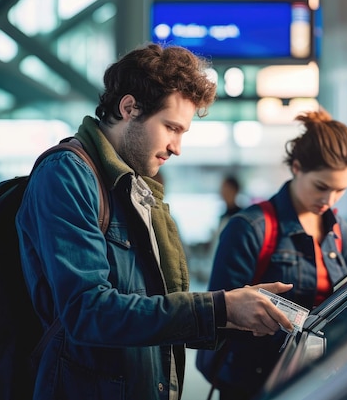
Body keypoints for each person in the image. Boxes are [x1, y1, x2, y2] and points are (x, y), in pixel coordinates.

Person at [15, 43, 294, 400]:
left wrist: (232, 313)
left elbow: (154, 306)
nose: (177, 147)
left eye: (183, 133)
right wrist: (219, 307)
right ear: (129, 108)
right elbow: (87, 311)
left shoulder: (136, 185)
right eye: (171, 127)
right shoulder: (67, 175)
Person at [199, 109, 347, 400]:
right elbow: (216, 318)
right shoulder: (250, 228)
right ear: (297, 167)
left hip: (317, 384)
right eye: (321, 187)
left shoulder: (341, 234)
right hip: (251, 385)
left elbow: (345, 312)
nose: (329, 200)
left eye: (340, 190)